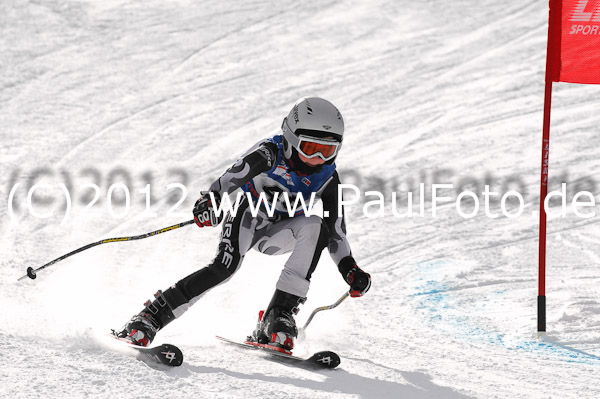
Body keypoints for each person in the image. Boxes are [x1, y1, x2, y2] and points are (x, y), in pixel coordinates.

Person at [114, 97, 371, 351]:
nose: (317, 158)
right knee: (224, 268)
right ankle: (150, 317)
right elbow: (230, 178)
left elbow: (336, 233)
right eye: (309, 148)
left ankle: (277, 315)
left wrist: (350, 269)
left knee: (317, 227)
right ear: (291, 138)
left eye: (327, 151)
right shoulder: (269, 154)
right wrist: (211, 201)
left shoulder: (328, 178)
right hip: (249, 217)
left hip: (282, 233)